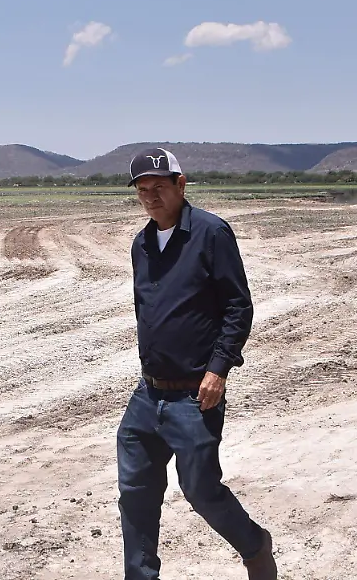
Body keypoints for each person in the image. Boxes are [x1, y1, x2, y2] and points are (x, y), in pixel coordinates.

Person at [117, 148, 277, 580]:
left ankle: (255, 545)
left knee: (201, 490)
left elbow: (237, 307)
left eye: (160, 187)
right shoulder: (142, 243)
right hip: (148, 393)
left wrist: (218, 369)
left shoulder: (210, 233)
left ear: (181, 184)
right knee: (135, 493)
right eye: (143, 190)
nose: (151, 197)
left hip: (195, 393)